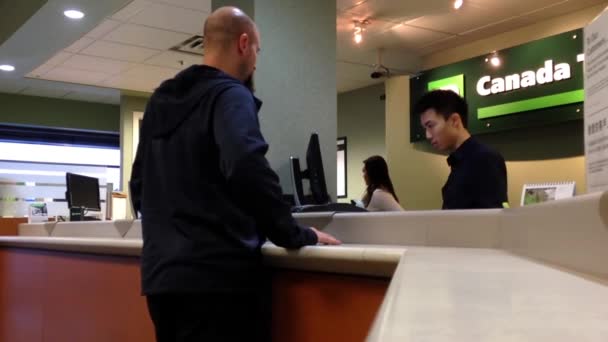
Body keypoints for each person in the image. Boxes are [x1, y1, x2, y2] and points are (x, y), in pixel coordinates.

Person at [129, 6, 340, 342]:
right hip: (218, 283)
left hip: (162, 281)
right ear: (244, 43)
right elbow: (246, 165)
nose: (256, 60)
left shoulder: (159, 102)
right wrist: (296, 234)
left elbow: (138, 185)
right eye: (257, 50)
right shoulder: (230, 94)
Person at [414, 89, 508, 210]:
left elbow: (494, 219)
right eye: (425, 128)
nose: (428, 135)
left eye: (431, 126)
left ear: (455, 121)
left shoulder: (484, 158)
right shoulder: (459, 162)